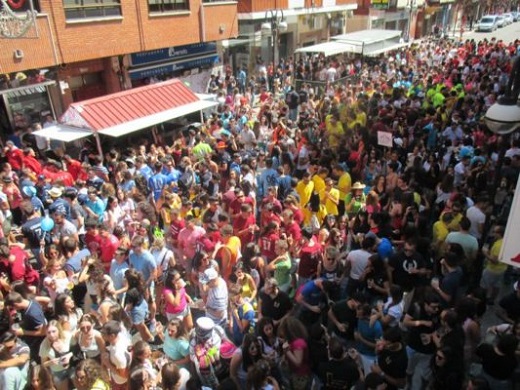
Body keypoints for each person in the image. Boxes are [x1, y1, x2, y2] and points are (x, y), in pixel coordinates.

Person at [5, 292, 47, 363]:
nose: (14, 310)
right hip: (29, 332)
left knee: (37, 359)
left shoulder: (33, 313)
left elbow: (43, 332)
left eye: (13, 308)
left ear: (16, 304)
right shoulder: (29, 301)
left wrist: (23, 332)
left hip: (37, 342)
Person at [277, 317, 311, 390]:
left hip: (300, 375)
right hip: (294, 373)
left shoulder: (298, 343)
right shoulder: (294, 341)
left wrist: (287, 350)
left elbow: (298, 362)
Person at [38, 320, 73, 390]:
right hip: (58, 371)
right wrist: (51, 362)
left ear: (59, 330)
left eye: (54, 331)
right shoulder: (44, 345)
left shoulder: (68, 336)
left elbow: (76, 350)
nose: (51, 335)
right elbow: (43, 364)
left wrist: (69, 356)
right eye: (49, 332)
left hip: (72, 367)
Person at [100, 320, 131, 390]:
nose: (101, 334)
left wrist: (108, 364)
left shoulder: (117, 354)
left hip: (122, 383)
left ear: (112, 336)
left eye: (103, 333)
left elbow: (124, 375)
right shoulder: (121, 336)